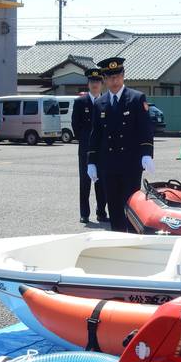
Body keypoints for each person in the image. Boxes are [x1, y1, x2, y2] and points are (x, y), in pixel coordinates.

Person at [87, 57, 155, 232]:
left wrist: (147, 153)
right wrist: (91, 161)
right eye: (110, 77)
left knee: (132, 205)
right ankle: (118, 238)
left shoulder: (136, 99)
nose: (114, 81)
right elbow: (96, 134)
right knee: (114, 206)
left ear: (123, 76)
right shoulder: (99, 103)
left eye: (117, 76)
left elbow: (145, 129)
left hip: (130, 163)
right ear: (104, 80)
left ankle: (133, 239)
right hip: (108, 164)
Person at [72, 68, 108, 224]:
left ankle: (101, 212)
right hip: (85, 150)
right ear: (88, 84)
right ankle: (84, 213)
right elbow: (75, 125)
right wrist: (85, 140)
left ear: (102, 84)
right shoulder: (80, 102)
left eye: (98, 82)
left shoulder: (106, 101)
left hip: (102, 150)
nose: (95, 85)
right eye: (92, 82)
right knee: (85, 182)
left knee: (102, 182)